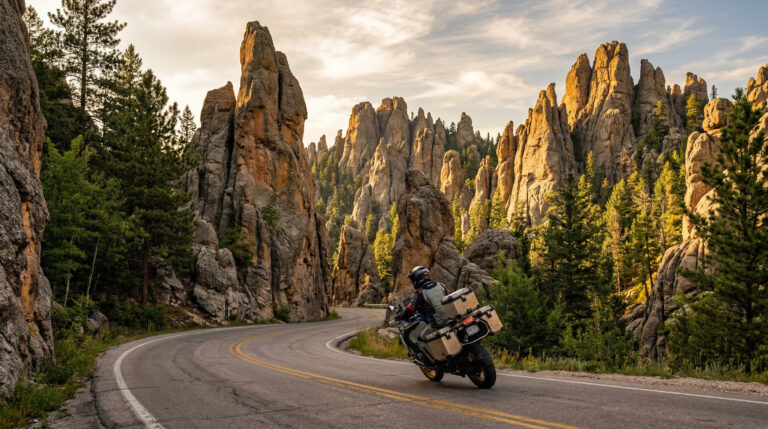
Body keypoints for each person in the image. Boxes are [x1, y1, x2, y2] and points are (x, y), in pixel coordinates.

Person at [395, 266, 450, 364]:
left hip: (438, 324)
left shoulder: (420, 293)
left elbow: (410, 309)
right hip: (451, 318)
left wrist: (399, 316)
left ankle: (435, 361)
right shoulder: (441, 285)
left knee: (420, 338)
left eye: (412, 279)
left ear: (417, 279)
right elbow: (448, 297)